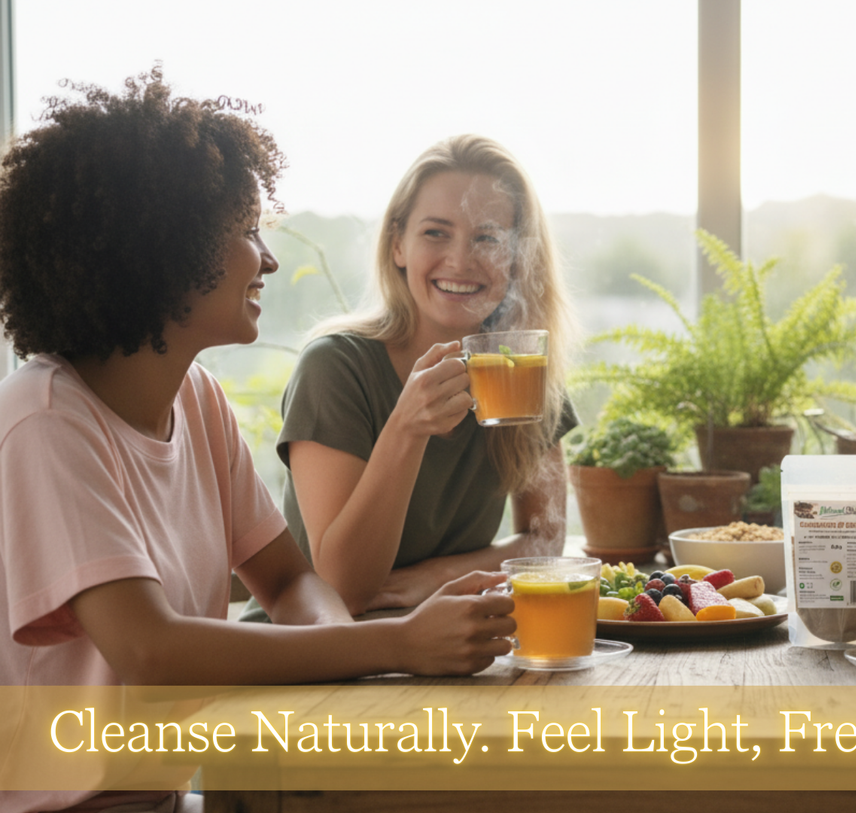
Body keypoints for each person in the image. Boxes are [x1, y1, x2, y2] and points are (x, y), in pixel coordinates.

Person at [0, 71, 516, 812]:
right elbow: (152, 652)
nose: (267, 258)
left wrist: (341, 673)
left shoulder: (196, 399)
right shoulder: (45, 422)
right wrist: (394, 644)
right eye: (245, 230)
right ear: (161, 253)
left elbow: (289, 579)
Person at [241, 135, 576, 620]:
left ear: (519, 256)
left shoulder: (520, 368)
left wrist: (430, 580)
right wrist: (408, 427)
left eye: (488, 238)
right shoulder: (337, 368)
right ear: (398, 244)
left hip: (433, 650)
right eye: (436, 233)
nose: (460, 260)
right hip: (310, 659)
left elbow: (546, 539)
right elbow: (343, 592)